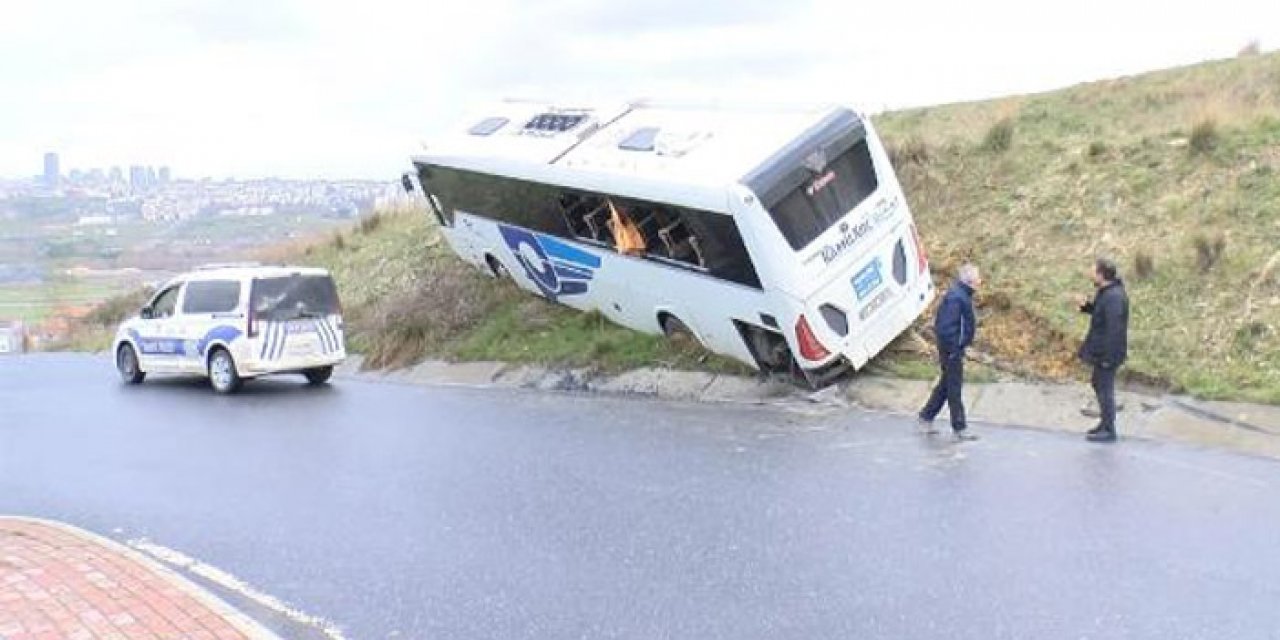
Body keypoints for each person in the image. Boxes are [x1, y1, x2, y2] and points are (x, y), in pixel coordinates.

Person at [918, 264, 981, 441]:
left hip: (953, 349)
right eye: (978, 278)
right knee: (954, 387)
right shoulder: (957, 298)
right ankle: (959, 428)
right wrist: (955, 349)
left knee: (946, 385)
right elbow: (946, 328)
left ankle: (926, 416)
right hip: (952, 350)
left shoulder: (961, 295)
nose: (980, 281)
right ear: (969, 280)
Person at [1077, 257, 1130, 443]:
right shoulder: (1106, 292)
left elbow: (1115, 329)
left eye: (1093, 271)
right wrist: (1086, 307)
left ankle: (1109, 429)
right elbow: (1101, 313)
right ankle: (1105, 423)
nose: (1090, 274)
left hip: (1108, 353)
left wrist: (1108, 357)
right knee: (1098, 384)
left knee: (1105, 388)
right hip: (1103, 351)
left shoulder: (1114, 297)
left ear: (1101, 274)